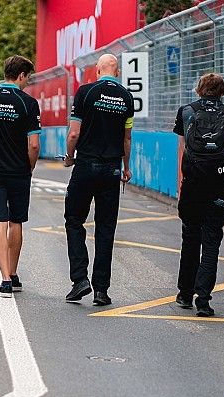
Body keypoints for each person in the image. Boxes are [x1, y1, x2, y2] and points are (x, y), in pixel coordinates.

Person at [63, 54, 135, 306]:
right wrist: (127, 168)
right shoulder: (127, 97)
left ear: (97, 71)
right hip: (112, 170)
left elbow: (74, 132)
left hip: (85, 165)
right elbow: (127, 139)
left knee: (74, 220)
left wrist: (69, 157)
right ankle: (101, 290)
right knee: (106, 228)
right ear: (117, 72)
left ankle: (80, 279)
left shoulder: (85, 92)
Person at [0, 55, 41, 298]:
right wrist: (29, 168)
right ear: (21, 75)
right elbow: (34, 145)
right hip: (19, 171)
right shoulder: (28, 103)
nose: (28, 82)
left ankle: (3, 280)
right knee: (16, 221)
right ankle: (13, 274)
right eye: (28, 77)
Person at [173, 73, 224, 317]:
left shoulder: (186, 111)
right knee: (211, 242)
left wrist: (180, 187)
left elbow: (182, 151)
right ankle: (204, 299)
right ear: (222, 92)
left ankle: (185, 294)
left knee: (190, 239)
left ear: (199, 90)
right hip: (220, 186)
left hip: (192, 185)